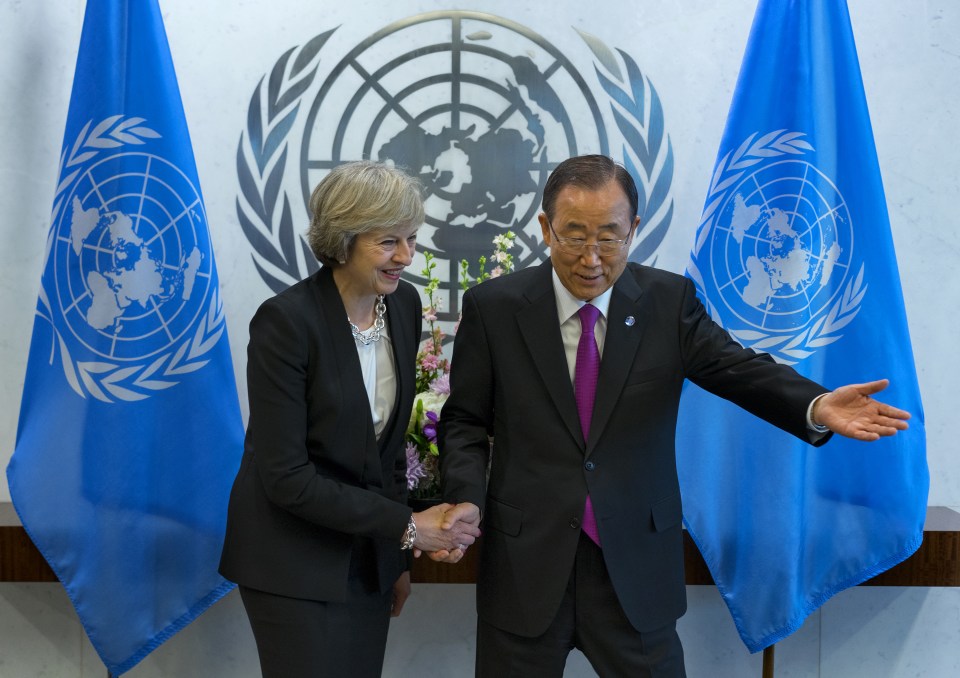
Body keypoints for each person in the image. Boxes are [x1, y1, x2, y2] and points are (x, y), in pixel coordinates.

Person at [436, 154, 910, 677]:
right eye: (574, 236)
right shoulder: (494, 308)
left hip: (634, 569)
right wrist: (464, 499)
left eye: (610, 237)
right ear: (545, 228)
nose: (592, 258)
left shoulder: (668, 302)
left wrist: (815, 405)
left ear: (634, 228)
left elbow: (737, 369)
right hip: (526, 564)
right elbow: (465, 422)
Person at [218, 160, 480, 678]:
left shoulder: (402, 304)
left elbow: (385, 455)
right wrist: (408, 530)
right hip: (291, 566)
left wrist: (395, 560)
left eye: (411, 238)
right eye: (389, 242)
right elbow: (285, 477)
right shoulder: (286, 322)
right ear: (342, 239)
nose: (406, 256)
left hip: (367, 564)